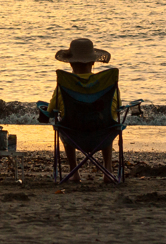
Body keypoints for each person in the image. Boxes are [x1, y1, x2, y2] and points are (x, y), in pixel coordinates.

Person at [42, 37, 120, 182]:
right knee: (109, 122)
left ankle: (74, 172)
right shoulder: (107, 84)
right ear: (93, 62)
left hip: (73, 136)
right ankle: (107, 171)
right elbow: (117, 109)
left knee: (64, 123)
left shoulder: (64, 86)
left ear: (70, 63)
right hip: (102, 136)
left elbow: (51, 110)